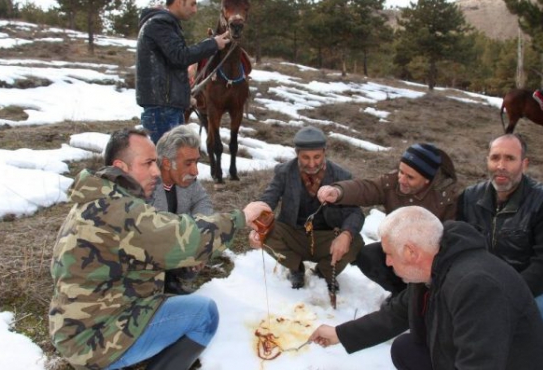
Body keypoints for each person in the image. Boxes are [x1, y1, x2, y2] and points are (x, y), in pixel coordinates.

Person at [48, 128, 264, 370]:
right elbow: (184, 238)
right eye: (148, 163)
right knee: (204, 314)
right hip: (92, 340)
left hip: (77, 326)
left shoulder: (98, 200)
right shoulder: (120, 211)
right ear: (121, 167)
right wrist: (241, 218)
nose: (155, 171)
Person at [309, 206, 543, 370]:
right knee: (407, 349)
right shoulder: (436, 261)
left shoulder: (476, 285)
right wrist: (340, 334)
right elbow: (397, 313)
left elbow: (479, 364)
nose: (386, 261)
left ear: (411, 252)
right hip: (459, 356)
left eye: (388, 254)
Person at [456, 133, 543, 334]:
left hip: (534, 287)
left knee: (530, 316)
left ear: (524, 164)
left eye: (510, 158)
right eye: (495, 158)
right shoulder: (469, 197)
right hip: (484, 283)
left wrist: (507, 292)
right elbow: (457, 248)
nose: (501, 165)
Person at [317, 143, 458, 300]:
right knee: (367, 256)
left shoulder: (446, 200)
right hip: (399, 249)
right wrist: (338, 192)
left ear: (427, 180)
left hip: (427, 260)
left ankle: (421, 301)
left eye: (410, 177)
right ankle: (402, 296)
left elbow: (449, 243)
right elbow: (366, 189)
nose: (402, 180)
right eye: (401, 171)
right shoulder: (393, 183)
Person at [244, 126, 365, 291]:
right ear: (296, 153)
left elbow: (355, 212)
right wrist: (257, 224)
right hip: (294, 233)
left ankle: (324, 272)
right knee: (265, 233)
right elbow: (268, 200)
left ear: (324, 152)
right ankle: (296, 268)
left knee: (355, 241)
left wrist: (346, 234)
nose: (312, 163)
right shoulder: (284, 172)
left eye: (317, 157)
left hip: (327, 236)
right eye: (305, 157)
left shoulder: (341, 176)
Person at [136, 0, 231, 144]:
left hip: (166, 106)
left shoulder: (163, 23)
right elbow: (180, 56)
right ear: (179, 1)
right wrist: (213, 44)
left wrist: (183, 93)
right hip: (163, 109)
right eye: (192, 4)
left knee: (171, 161)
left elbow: (171, 64)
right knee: (167, 162)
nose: (195, 9)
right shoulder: (161, 24)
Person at [151, 124, 214, 295]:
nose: (195, 171)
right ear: (166, 163)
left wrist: (199, 237)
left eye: (196, 161)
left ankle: (171, 280)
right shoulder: (146, 184)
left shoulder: (188, 180)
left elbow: (203, 202)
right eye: (188, 163)